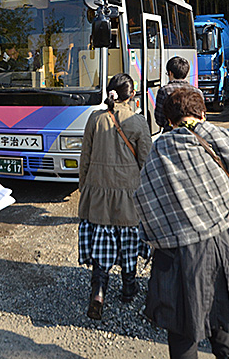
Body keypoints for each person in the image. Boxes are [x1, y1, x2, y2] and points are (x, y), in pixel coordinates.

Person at [134, 88, 229, 359]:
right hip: (226, 242)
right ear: (202, 113)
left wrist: (158, 236)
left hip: (180, 253)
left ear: (168, 120)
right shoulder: (221, 136)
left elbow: (143, 200)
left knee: (183, 327)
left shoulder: (159, 150)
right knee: (224, 317)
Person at [78, 73, 152, 320]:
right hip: (128, 195)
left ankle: (98, 294)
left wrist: (84, 188)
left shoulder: (94, 119)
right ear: (131, 95)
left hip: (98, 192)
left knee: (102, 245)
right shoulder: (138, 121)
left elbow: (85, 158)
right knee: (128, 244)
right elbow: (146, 163)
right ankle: (128, 289)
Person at [154, 56, 201, 132]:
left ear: (170, 73)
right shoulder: (197, 92)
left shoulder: (164, 91)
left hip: (170, 133)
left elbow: (159, 119)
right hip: (194, 134)